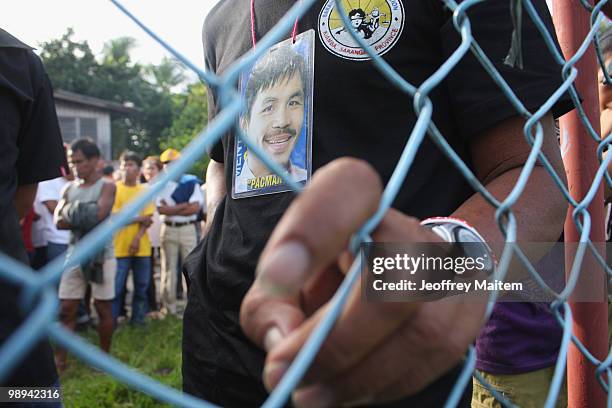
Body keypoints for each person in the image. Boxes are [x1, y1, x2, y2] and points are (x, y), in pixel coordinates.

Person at [182, 1, 574, 407]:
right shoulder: (219, 19)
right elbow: (221, 162)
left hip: (387, 329)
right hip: (219, 339)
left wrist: (434, 269)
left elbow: (531, 175)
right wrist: (207, 248)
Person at [0, 28, 66, 399]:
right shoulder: (19, 63)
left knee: (28, 394)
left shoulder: (19, 62)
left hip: (9, 306)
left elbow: (27, 191)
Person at [55, 138, 116, 371]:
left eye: (79, 162)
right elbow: (57, 222)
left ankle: (103, 358)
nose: (74, 167)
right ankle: (60, 359)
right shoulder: (67, 188)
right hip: (75, 252)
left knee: (102, 307)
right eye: (71, 162)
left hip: (103, 254)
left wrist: (70, 212)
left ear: (94, 161)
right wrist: (84, 212)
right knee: (66, 307)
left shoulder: (107, 185)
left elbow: (99, 215)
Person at [235, 44, 308, 194]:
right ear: (244, 125)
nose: (282, 121)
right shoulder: (237, 188)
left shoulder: (307, 179)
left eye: (293, 103)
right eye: (268, 108)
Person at [157, 148, 203, 315]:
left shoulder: (191, 182)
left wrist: (173, 209)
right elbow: (161, 209)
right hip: (168, 229)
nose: (171, 166)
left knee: (190, 268)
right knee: (168, 269)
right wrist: (183, 206)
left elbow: (195, 208)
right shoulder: (159, 184)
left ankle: (191, 307)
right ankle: (168, 308)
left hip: (187, 229)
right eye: (167, 164)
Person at [111, 151, 154, 325]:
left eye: (130, 165)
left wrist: (136, 237)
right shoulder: (114, 189)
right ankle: (112, 321)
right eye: (124, 165)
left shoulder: (145, 190)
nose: (126, 169)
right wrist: (137, 218)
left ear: (138, 169)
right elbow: (113, 218)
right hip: (119, 246)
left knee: (141, 287)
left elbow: (149, 218)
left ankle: (138, 321)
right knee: (117, 288)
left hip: (141, 246)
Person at [142, 155, 163, 314]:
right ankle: (151, 304)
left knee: (165, 269)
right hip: (146, 233)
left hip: (162, 231)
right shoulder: (141, 188)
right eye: (146, 168)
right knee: (148, 270)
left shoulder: (164, 185)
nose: (148, 171)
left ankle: (162, 303)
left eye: (152, 168)